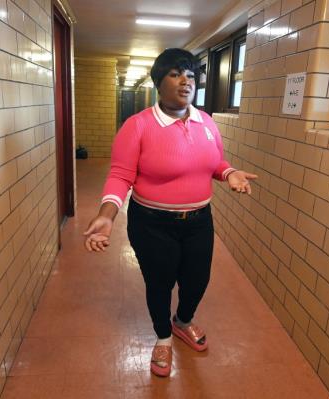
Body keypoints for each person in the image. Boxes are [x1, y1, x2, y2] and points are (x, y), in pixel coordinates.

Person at [83, 48, 257, 377]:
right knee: (160, 283)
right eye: (176, 74)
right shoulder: (137, 127)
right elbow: (121, 175)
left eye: (191, 75)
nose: (185, 81)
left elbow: (214, 163)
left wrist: (229, 172)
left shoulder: (206, 121)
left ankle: (182, 322)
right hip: (152, 223)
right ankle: (163, 337)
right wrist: (107, 214)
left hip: (199, 221)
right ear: (158, 83)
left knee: (197, 280)